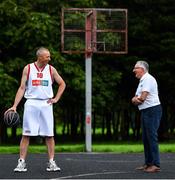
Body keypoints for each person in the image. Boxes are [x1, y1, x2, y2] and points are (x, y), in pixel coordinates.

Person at [5, 47, 66, 172]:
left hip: (46, 104)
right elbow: (22, 88)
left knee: (49, 135)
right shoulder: (28, 68)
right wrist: (15, 105)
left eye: (49, 56)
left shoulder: (51, 69)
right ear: (40, 57)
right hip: (31, 103)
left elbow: (62, 83)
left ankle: (51, 162)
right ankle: (21, 162)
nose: (49, 58)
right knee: (26, 134)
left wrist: (56, 98)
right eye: (47, 56)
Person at [131, 60, 162, 173]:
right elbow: (136, 97)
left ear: (142, 69)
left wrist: (135, 99)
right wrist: (135, 99)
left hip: (152, 111)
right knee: (146, 138)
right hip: (146, 111)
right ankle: (148, 163)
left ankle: (155, 164)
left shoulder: (148, 79)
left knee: (151, 137)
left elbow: (141, 98)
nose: (134, 70)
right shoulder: (142, 80)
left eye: (136, 68)